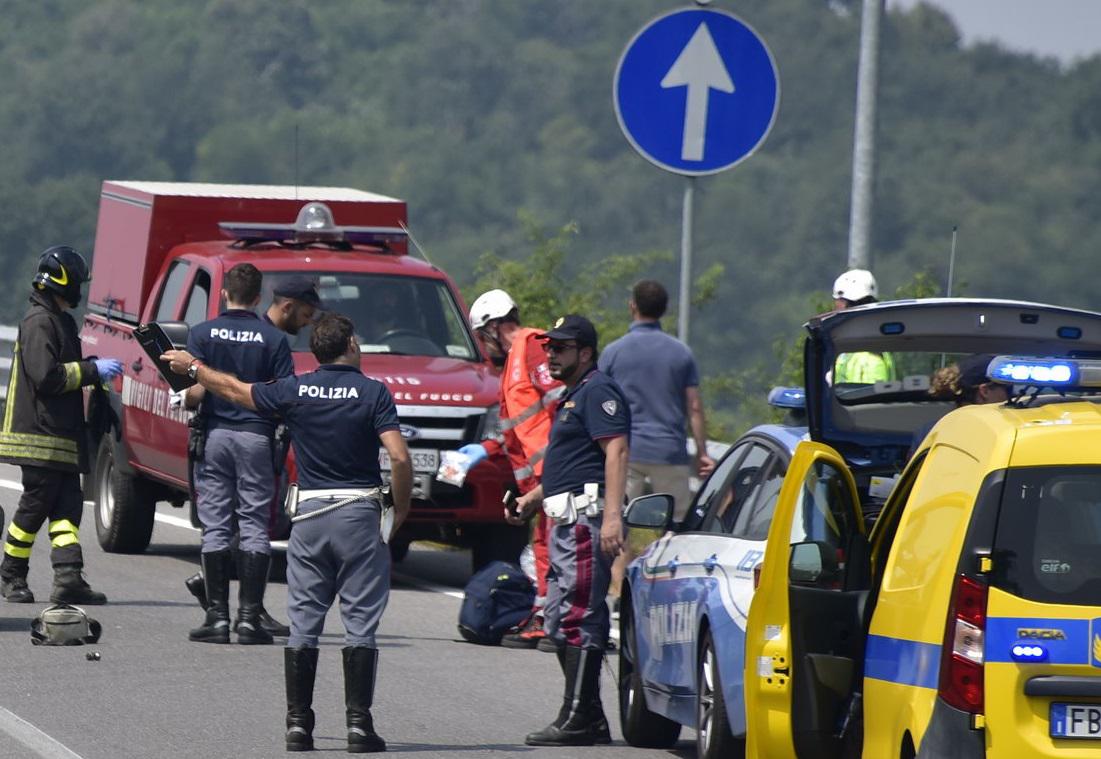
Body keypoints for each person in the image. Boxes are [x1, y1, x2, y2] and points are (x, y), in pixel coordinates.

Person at [162, 312, 412, 753]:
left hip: (310, 517)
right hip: (358, 514)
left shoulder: (296, 390)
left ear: (315, 350)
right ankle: (358, 727)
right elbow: (399, 458)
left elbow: (237, 391)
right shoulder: (374, 392)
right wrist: (399, 511)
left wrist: (194, 368)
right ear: (351, 344)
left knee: (303, 624)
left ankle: (299, 726)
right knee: (360, 626)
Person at [512, 314, 629, 747]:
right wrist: (531, 499)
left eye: (560, 348)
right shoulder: (573, 395)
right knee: (560, 621)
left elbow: (615, 450)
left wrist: (613, 518)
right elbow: (567, 468)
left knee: (580, 616)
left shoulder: (598, 390)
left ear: (585, 352)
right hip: (563, 520)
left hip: (584, 521)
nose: (550, 354)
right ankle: (590, 715)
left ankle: (578, 718)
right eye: (548, 347)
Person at [183, 276, 320, 633]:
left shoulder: (201, 333)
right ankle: (248, 618)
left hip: (215, 437)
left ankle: (216, 618)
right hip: (257, 438)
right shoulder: (273, 339)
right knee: (254, 526)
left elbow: (193, 393)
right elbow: (283, 395)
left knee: (215, 526)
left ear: (225, 293)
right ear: (258, 298)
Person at [0, 246, 122, 605]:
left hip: (62, 436)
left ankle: (68, 576)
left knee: (67, 508)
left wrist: (92, 375)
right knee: (35, 506)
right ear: (62, 282)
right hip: (39, 436)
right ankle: (11, 574)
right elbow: (46, 377)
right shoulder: (39, 321)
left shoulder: (60, 321)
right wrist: (90, 371)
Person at [599, 280, 715, 604]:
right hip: (669, 450)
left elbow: (600, 404)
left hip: (627, 451)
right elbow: (693, 406)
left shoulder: (614, 352)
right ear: (663, 310)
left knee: (620, 520)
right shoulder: (681, 353)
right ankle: (669, 593)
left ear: (632, 306)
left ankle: (619, 589)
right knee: (674, 527)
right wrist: (702, 452)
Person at [460, 289, 564, 651]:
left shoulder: (532, 345)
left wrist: (563, 463)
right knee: (543, 545)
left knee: (557, 547)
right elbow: (515, 429)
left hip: (555, 471)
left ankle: (556, 621)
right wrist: (482, 450)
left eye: (482, 335)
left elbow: (562, 403)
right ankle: (543, 616)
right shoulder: (513, 363)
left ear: (492, 327)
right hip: (539, 476)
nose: (483, 344)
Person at [911, 353, 1009, 453]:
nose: (1012, 397)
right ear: (985, 392)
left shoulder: (930, 432)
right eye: (1008, 389)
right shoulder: (1005, 434)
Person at [832, 269, 897, 383]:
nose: (835, 307)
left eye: (838, 300)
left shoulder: (865, 358)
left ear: (845, 303)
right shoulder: (875, 346)